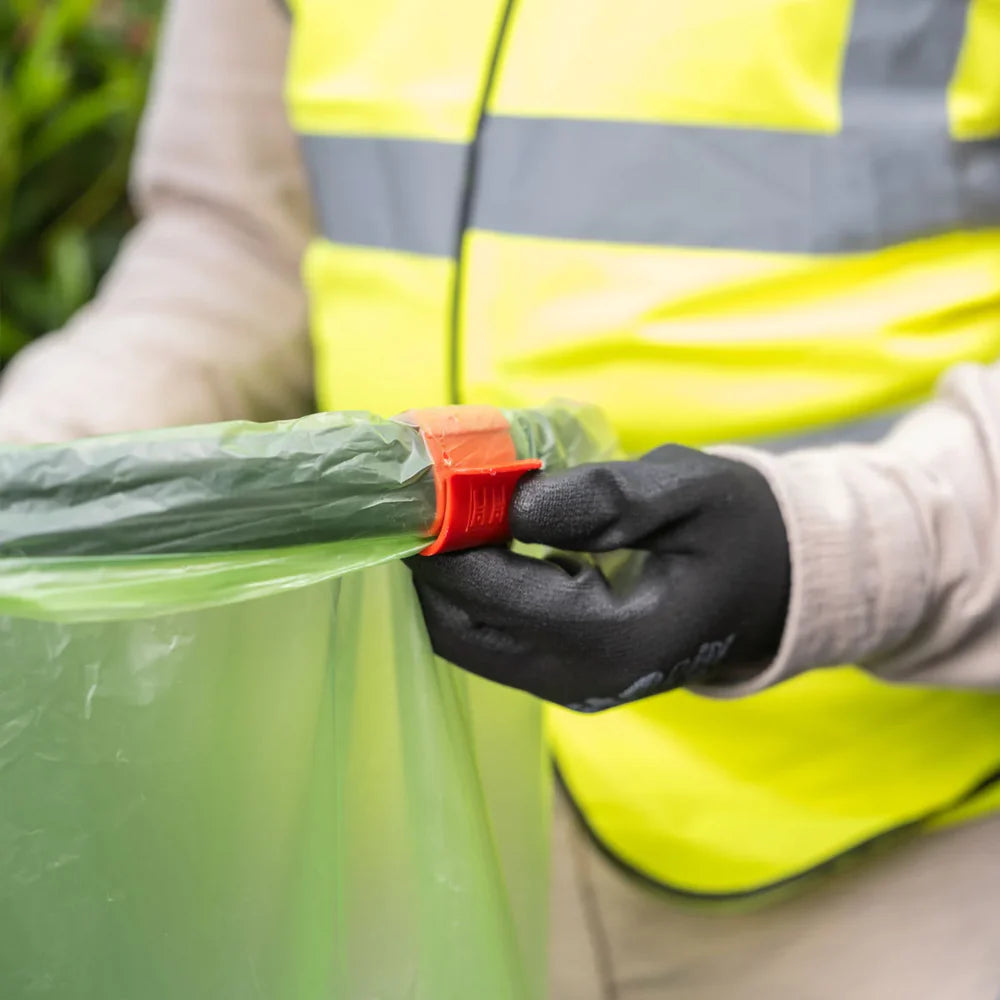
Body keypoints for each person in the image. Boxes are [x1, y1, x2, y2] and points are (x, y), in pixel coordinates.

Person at [3, 0, 1000, 995]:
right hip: (415, 818)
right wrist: (30, 475)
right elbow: (243, 245)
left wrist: (822, 558)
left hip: (896, 860)